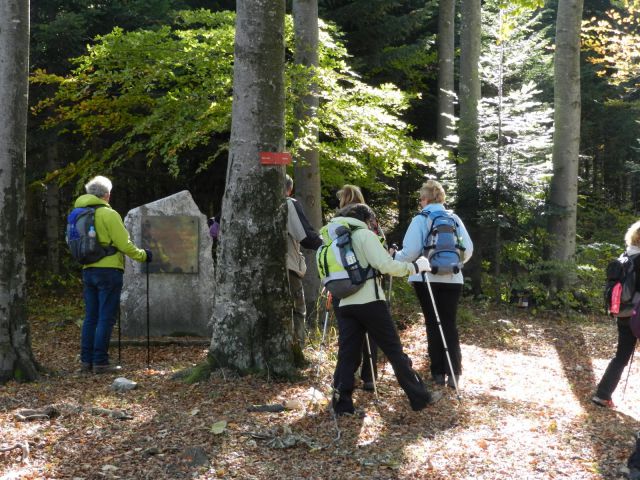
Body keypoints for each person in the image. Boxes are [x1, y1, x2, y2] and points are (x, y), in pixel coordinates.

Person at [330, 203, 442, 415]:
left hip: (344, 301)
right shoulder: (363, 235)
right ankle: (420, 397)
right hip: (370, 302)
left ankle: (341, 404)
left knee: (347, 355)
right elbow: (387, 266)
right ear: (367, 219)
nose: (374, 226)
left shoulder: (333, 236)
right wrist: (415, 267)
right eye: (373, 222)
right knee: (394, 351)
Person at [393, 179, 473, 388]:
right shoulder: (454, 218)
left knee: (432, 323)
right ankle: (454, 372)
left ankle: (438, 372)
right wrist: (454, 264)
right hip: (453, 279)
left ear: (426, 199)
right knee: (449, 323)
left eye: (420, 199)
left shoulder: (421, 219)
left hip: (426, 278)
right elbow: (469, 249)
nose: (420, 203)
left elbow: (410, 252)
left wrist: (394, 258)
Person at [75, 176, 151, 374]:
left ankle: (86, 361)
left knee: (91, 316)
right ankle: (100, 362)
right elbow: (124, 244)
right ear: (106, 195)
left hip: (87, 269)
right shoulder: (109, 214)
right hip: (108, 271)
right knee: (106, 317)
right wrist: (143, 255)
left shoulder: (78, 213)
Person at [336, 184, 380, 391]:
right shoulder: (368, 218)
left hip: (343, 284)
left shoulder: (335, 222)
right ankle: (370, 376)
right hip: (368, 283)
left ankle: (347, 377)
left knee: (348, 335)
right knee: (372, 330)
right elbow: (380, 243)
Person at [592, 220, 640, 408]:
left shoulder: (625, 256)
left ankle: (602, 395)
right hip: (637, 313)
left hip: (623, 313)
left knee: (621, 356)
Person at [286, 174, 323, 349]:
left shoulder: (256, 200)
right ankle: (296, 349)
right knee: (297, 309)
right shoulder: (288, 204)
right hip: (288, 266)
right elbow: (305, 235)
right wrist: (324, 245)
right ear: (290, 189)